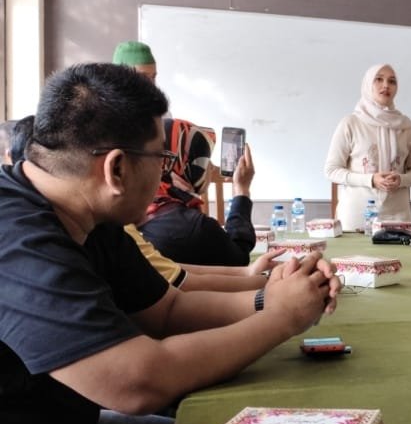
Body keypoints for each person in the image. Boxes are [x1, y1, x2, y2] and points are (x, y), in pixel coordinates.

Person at [0, 63, 339, 424]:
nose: (165, 170)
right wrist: (281, 319)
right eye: (161, 156)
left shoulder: (89, 214)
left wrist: (275, 294)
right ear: (117, 168)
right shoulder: (19, 240)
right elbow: (137, 382)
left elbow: (166, 310)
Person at [8, 115, 270, 292]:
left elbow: (170, 284)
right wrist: (268, 297)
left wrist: (253, 280)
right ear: (116, 167)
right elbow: (173, 303)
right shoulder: (183, 227)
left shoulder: (109, 230)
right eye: (158, 158)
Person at [137, 119, 256, 266]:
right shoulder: (194, 227)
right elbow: (239, 259)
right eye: (203, 160)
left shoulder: (135, 207)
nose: (211, 167)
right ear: (187, 166)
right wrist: (242, 190)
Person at [324, 64, 411, 231]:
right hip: (356, 218)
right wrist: (370, 180)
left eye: (392, 81)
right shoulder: (351, 123)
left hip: (397, 217)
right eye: (378, 79)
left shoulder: (406, 125)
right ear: (368, 84)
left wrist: (401, 180)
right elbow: (331, 170)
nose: (386, 85)